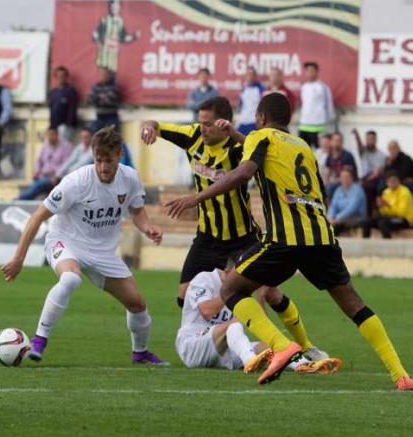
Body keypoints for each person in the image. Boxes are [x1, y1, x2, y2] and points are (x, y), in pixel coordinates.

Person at [165, 92, 413, 390]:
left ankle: (282, 345)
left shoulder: (260, 136)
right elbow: (319, 192)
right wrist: (234, 133)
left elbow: (244, 171)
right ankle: (400, 374)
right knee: (354, 305)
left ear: (260, 118)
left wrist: (197, 197)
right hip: (321, 237)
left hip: (284, 238)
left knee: (231, 288)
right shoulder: (302, 146)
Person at [140, 97, 329, 363]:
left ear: (223, 123)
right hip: (207, 237)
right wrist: (148, 126)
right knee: (184, 297)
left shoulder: (238, 149)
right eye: (201, 122)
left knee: (268, 292)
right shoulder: (192, 136)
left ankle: (295, 348)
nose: (202, 128)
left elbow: (257, 155)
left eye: (208, 124)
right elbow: (156, 125)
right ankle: (215, 341)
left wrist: (236, 134)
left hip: (242, 236)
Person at [2, 126, 168, 365]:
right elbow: (37, 216)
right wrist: (19, 258)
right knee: (71, 278)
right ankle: (39, 341)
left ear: (119, 155)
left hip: (102, 252)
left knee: (137, 304)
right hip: (66, 240)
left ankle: (140, 354)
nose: (103, 167)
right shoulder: (76, 182)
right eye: (98, 160)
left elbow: (137, 211)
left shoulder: (130, 178)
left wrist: (148, 227)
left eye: (108, 161)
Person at [177, 266, 342, 375]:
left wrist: (260, 298)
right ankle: (249, 361)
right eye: (238, 275)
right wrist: (230, 293)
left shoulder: (240, 288)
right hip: (192, 346)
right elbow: (206, 311)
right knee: (233, 324)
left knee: (270, 345)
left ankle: (303, 365)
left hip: (224, 351)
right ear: (228, 270)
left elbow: (260, 326)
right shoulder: (204, 278)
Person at [18, 127, 73, 200]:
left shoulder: (66, 147)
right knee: (33, 185)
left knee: (38, 185)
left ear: (57, 135)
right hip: (42, 175)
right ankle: (23, 198)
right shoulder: (46, 146)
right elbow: (39, 161)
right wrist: (36, 171)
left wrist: (55, 173)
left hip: (55, 177)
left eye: (52, 135)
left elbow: (66, 164)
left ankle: (21, 199)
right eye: (48, 135)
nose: (50, 137)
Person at [363, 171, 413, 239]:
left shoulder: (405, 192)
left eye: (394, 181)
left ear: (399, 181)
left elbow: (401, 213)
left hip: (404, 220)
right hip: (390, 218)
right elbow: (384, 213)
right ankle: (366, 245)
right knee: (367, 222)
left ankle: (388, 246)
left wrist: (388, 206)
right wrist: (381, 207)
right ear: (387, 183)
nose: (392, 183)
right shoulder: (386, 192)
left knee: (383, 223)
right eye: (390, 181)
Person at [92, 0, 140, 74]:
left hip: (113, 59)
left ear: (120, 7)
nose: (114, 7)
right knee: (102, 75)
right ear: (110, 7)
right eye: (113, 5)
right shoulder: (105, 20)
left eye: (117, 6)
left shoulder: (120, 21)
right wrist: (99, 37)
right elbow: (96, 35)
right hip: (103, 57)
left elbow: (124, 38)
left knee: (112, 77)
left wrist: (134, 36)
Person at [298, 62, 335, 149]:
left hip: (319, 126)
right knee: (302, 152)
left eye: (312, 70)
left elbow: (329, 106)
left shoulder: (323, 87)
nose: (309, 73)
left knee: (320, 152)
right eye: (307, 70)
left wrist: (328, 124)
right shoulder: (304, 87)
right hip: (304, 125)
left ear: (317, 72)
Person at [353, 129, 387, 215]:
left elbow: (376, 173)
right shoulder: (364, 152)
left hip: (375, 179)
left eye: (371, 139)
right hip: (364, 178)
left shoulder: (382, 155)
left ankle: (368, 215)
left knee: (367, 187)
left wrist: (364, 181)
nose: (369, 141)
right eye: (367, 139)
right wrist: (357, 136)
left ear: (376, 140)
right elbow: (359, 146)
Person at [328, 168, 367, 236]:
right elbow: (333, 206)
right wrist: (330, 217)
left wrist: (337, 218)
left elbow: (351, 209)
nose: (344, 179)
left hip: (356, 217)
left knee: (334, 228)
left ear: (352, 178)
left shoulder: (357, 190)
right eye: (342, 177)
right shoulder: (339, 190)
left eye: (347, 177)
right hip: (340, 218)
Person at [48, 66, 79, 143]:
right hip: (54, 126)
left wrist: (67, 125)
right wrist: (51, 126)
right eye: (58, 76)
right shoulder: (53, 92)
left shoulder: (71, 91)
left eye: (62, 76)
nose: (60, 78)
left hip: (66, 127)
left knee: (63, 146)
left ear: (66, 77)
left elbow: (72, 110)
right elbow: (51, 109)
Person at [324, 132, 358, 200]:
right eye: (334, 140)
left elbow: (346, 177)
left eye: (338, 140)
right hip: (335, 182)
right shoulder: (329, 156)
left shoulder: (347, 156)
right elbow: (327, 174)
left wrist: (331, 182)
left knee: (330, 188)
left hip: (348, 182)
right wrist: (324, 184)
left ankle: (329, 208)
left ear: (342, 142)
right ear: (331, 142)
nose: (336, 142)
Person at [87, 67, 121, 133]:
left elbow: (110, 100)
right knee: (94, 134)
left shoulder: (114, 86)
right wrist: (101, 97)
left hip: (112, 117)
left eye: (105, 74)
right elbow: (90, 100)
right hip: (99, 117)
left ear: (109, 75)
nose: (104, 76)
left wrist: (98, 98)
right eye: (102, 74)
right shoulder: (96, 86)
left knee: (111, 138)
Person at [237, 67, 264, 135]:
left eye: (252, 74)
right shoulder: (243, 89)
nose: (250, 77)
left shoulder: (260, 89)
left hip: (254, 123)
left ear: (255, 76)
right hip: (243, 122)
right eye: (248, 74)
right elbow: (241, 105)